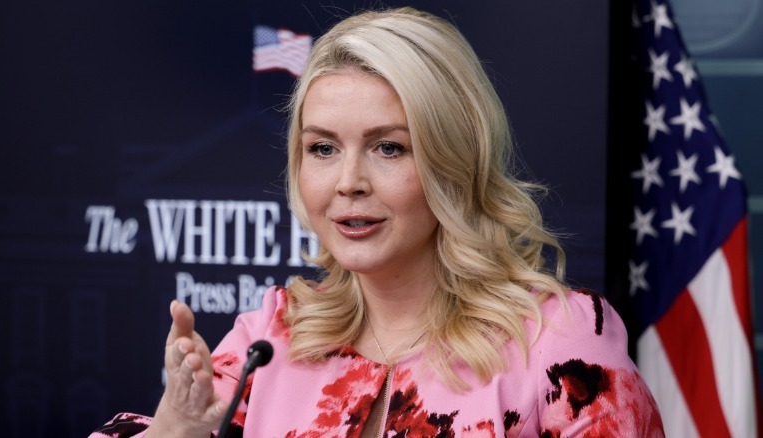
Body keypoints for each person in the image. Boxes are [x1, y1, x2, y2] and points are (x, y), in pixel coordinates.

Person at [91, 7, 663, 437]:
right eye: (322, 149)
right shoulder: (274, 336)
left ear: (453, 159)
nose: (348, 182)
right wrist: (174, 427)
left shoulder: (557, 341)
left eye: (388, 148)